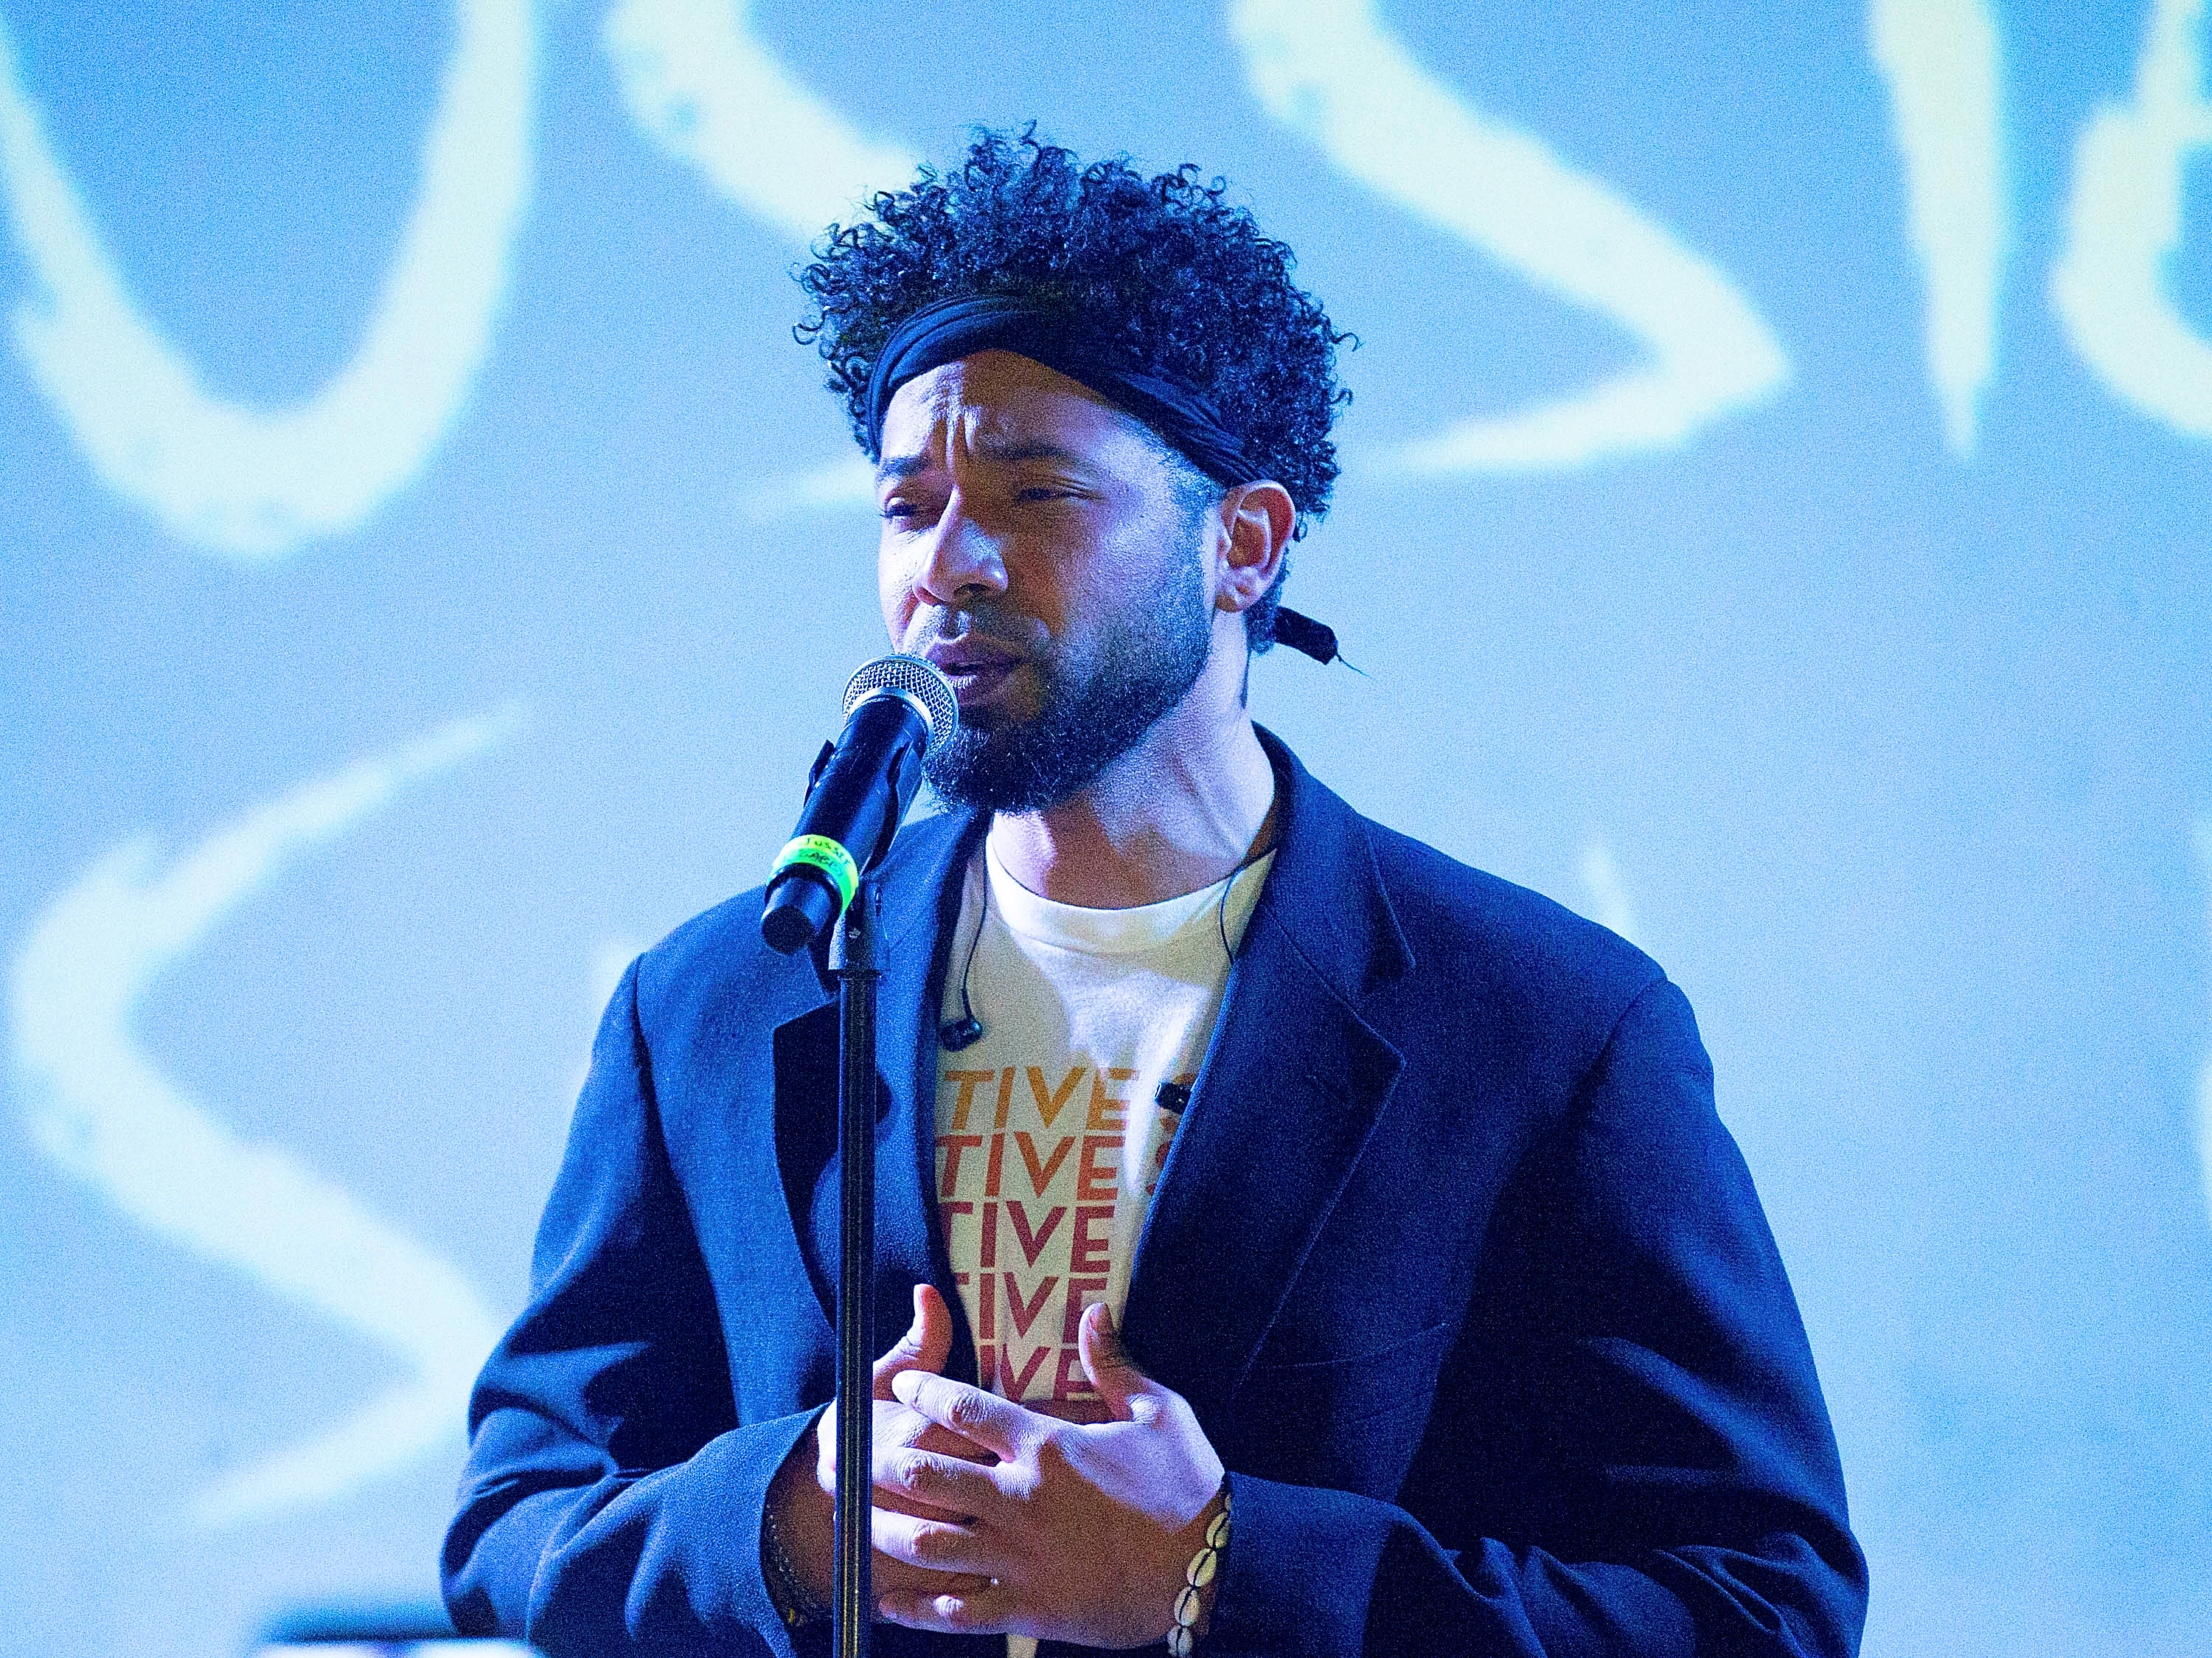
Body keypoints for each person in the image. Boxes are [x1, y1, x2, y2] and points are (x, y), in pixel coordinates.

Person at [442, 132, 1868, 1658]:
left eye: (1038, 491)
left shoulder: (1544, 1027)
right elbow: (520, 1518)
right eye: (906, 501)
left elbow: (1760, 1604)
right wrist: (784, 1514)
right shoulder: (722, 999)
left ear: (1241, 544)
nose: (951, 562)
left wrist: (1215, 1572)